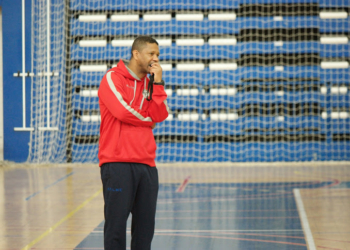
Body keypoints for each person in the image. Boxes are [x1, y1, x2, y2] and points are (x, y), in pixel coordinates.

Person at [98, 36, 170, 250]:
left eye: (157, 55)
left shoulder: (151, 83)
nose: (155, 59)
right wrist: (148, 121)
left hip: (147, 165)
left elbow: (160, 114)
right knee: (116, 228)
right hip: (117, 163)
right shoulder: (113, 78)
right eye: (151, 54)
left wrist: (158, 83)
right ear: (136, 54)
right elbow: (121, 111)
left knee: (145, 230)